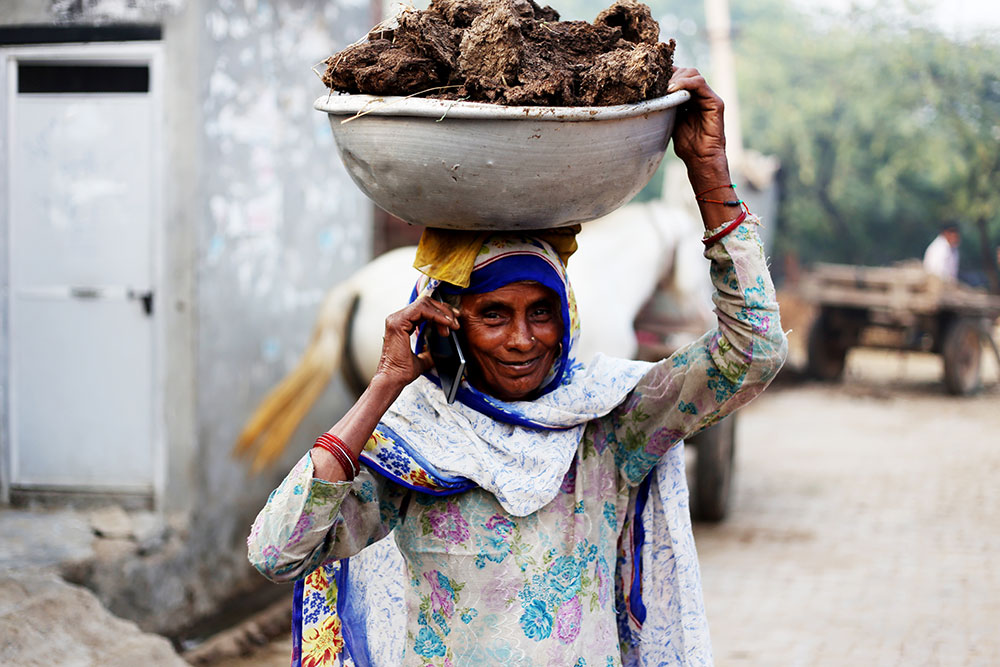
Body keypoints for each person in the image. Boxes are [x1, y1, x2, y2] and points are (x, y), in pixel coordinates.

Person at [247, 68, 788, 666]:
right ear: (450, 321)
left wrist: (708, 171)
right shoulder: (415, 450)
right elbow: (278, 552)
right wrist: (383, 387)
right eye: (494, 315)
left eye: (541, 312)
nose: (522, 339)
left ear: (567, 319)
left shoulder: (610, 425)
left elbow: (754, 353)